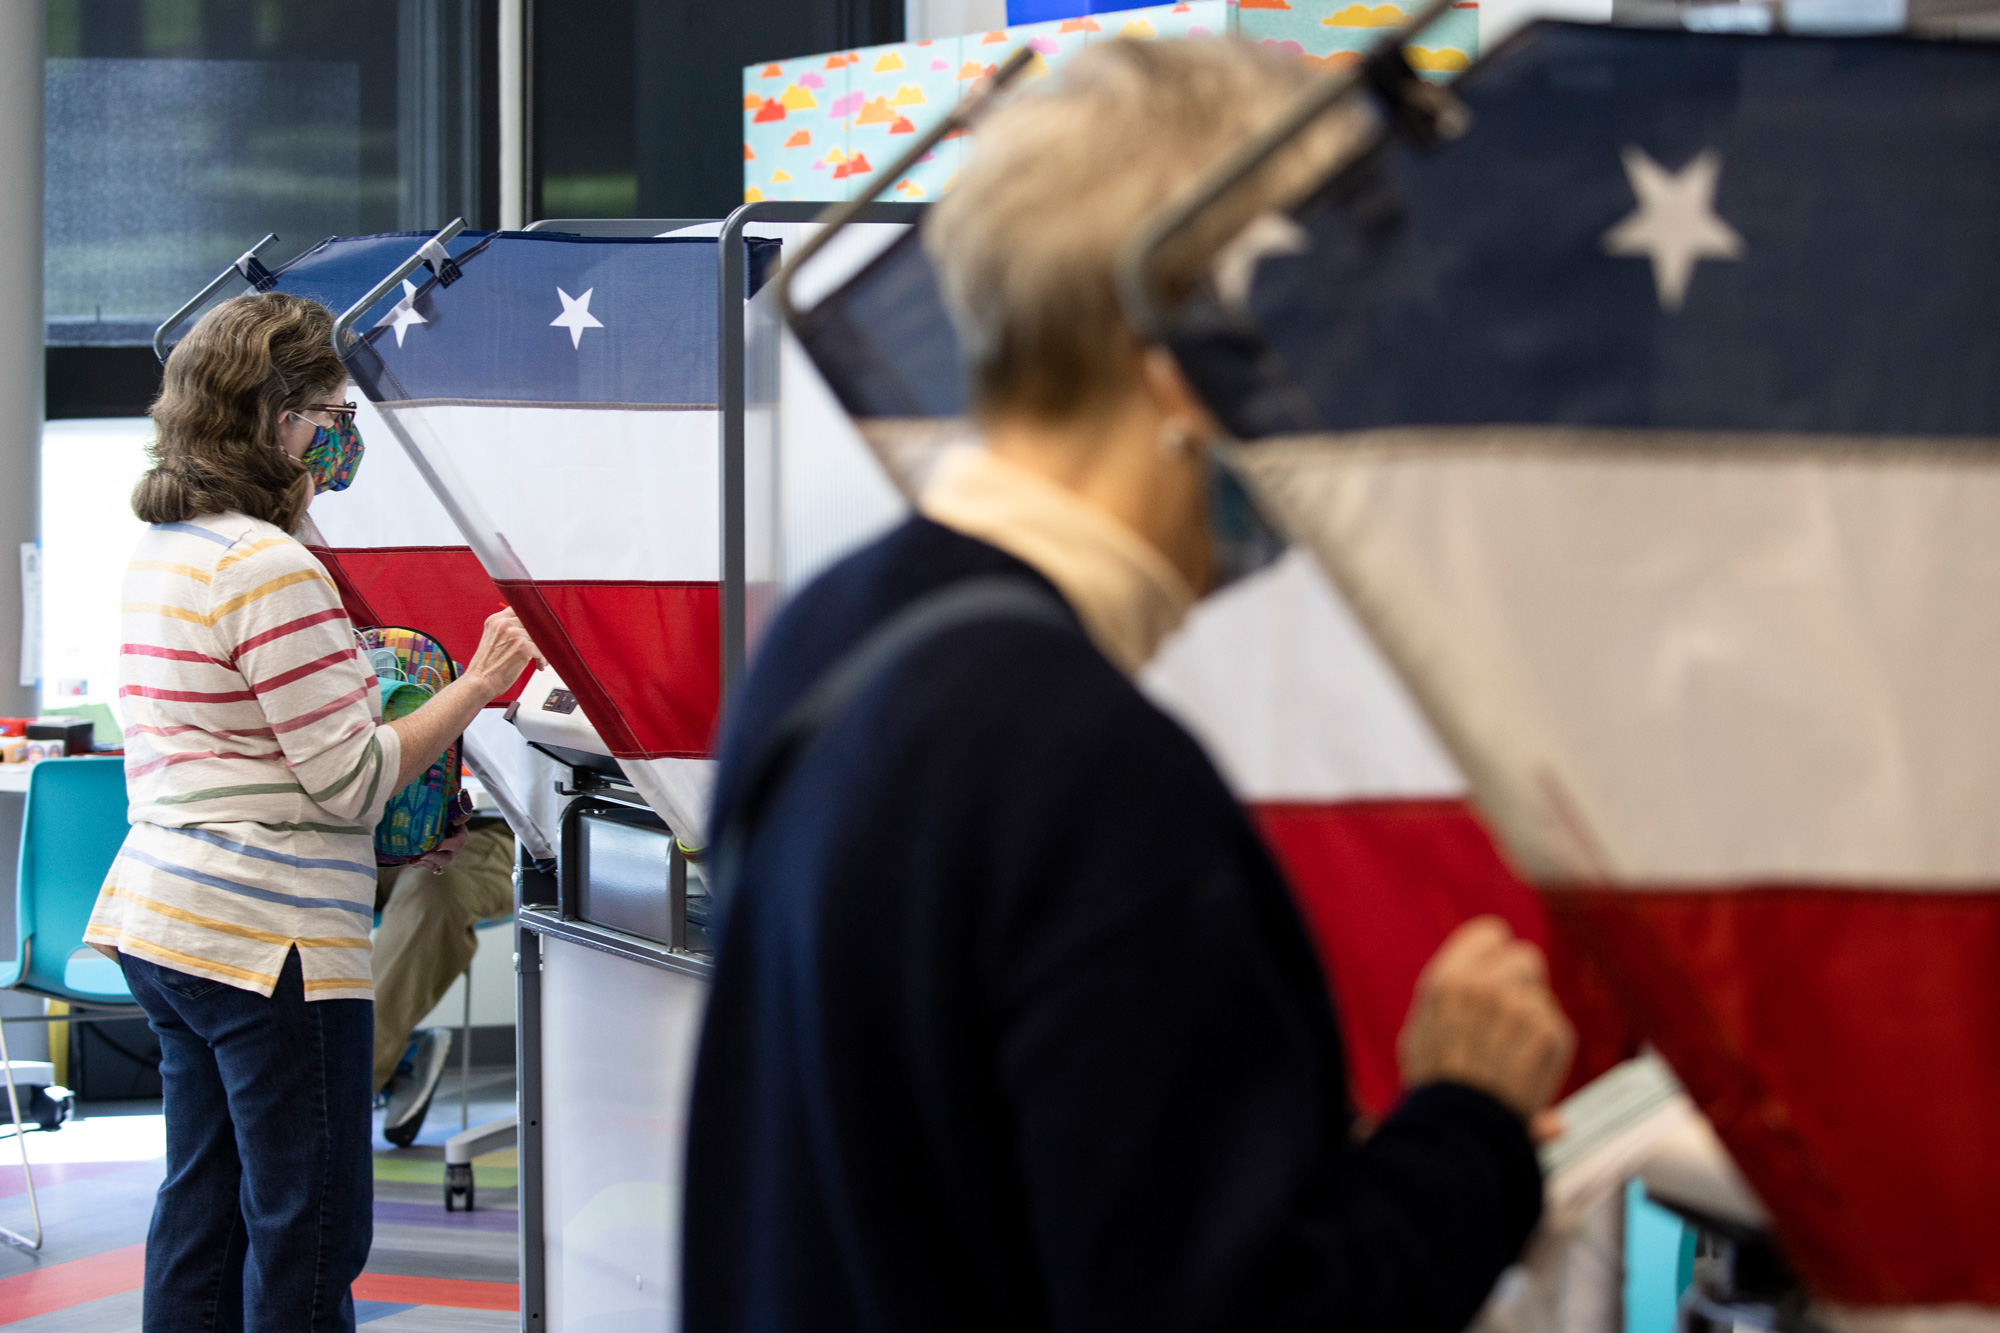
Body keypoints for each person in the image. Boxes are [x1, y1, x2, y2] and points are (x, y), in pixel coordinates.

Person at [685, 37, 1575, 1333]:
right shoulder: (1082, 767)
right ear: (1181, 357)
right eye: (1328, 342)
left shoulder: (845, 625)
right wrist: (1468, 1121)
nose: (1341, 409)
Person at [84, 290, 539, 1333]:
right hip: (270, 939)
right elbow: (347, 781)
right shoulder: (271, 566)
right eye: (332, 411)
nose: (345, 434)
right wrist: (476, 684)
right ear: (271, 417)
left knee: (202, 1215)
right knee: (313, 1229)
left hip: (171, 921)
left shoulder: (169, 547)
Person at [372, 807, 514, 1147]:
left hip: (493, 829)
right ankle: (397, 1052)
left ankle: (344, 1081)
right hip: (370, 828)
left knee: (431, 888)